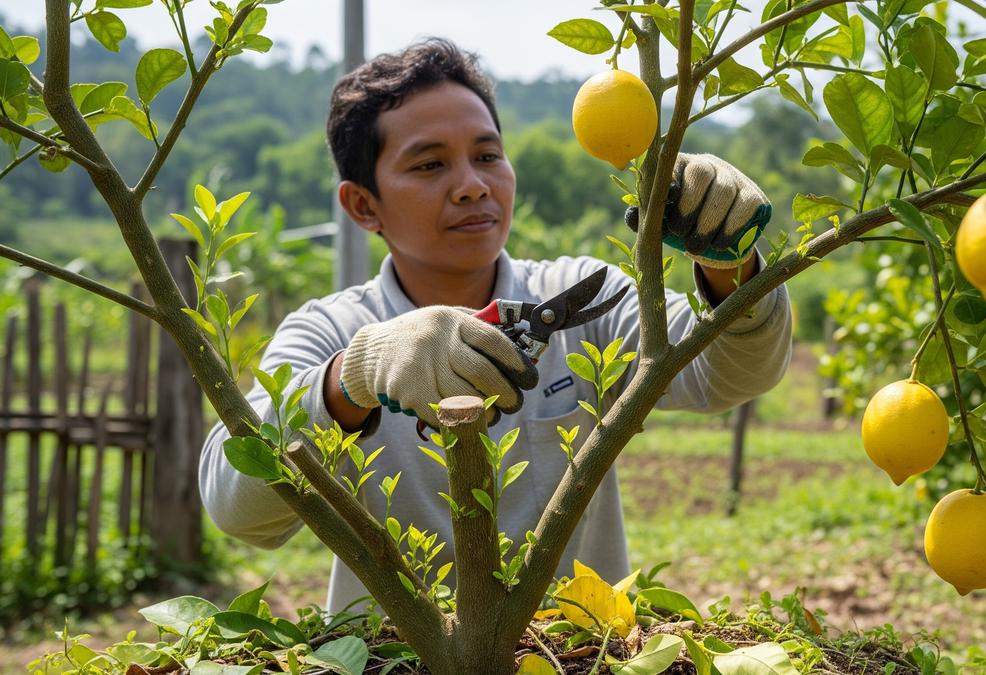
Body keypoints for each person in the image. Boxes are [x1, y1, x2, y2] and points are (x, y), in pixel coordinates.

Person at [199, 38, 792, 614]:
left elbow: (732, 375)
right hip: (390, 662)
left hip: (582, 656)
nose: (473, 186)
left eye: (487, 156)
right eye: (430, 164)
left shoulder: (586, 296)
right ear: (362, 205)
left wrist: (729, 262)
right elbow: (237, 507)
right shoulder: (331, 331)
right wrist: (352, 377)